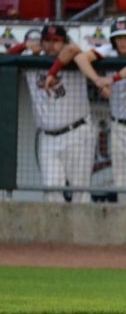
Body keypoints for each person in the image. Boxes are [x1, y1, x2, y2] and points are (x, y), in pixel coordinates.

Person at [8, 24, 94, 203]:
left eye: (56, 41)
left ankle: (81, 231)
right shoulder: (31, 59)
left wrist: (53, 72)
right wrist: (24, 46)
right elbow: (6, 59)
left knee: (81, 190)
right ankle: (57, 232)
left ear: (63, 42)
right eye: (47, 40)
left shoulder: (73, 57)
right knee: (51, 190)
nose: (51, 45)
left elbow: (73, 49)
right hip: (47, 138)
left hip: (77, 133)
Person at [74, 16, 126, 205]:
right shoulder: (108, 50)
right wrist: (98, 81)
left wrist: (113, 78)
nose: (123, 41)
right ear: (113, 40)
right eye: (119, 38)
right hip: (117, 126)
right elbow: (80, 57)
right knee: (122, 184)